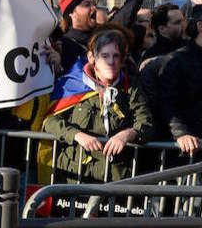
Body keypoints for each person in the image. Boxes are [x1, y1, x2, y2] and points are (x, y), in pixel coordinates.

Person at [43, 27, 154, 182]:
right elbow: (50, 121)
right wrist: (77, 135)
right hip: (75, 177)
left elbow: (145, 123)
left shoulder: (131, 87)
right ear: (92, 57)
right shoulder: (71, 85)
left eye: (116, 56)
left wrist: (127, 134)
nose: (111, 62)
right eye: (105, 56)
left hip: (117, 179)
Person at [158, 5, 202, 154]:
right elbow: (167, 103)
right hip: (190, 148)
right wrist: (181, 134)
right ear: (201, 26)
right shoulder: (177, 61)